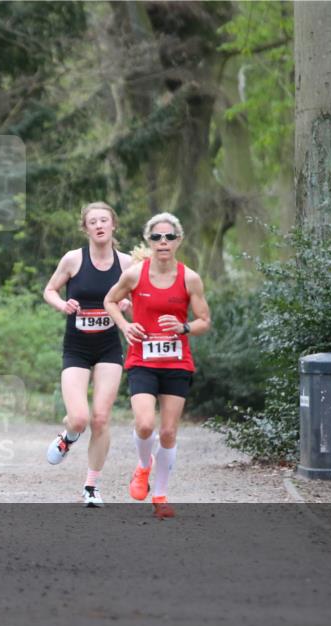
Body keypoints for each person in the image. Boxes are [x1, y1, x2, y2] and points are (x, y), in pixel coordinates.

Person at [104, 212, 211, 519]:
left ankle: (161, 496)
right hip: (142, 360)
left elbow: (204, 320)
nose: (163, 242)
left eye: (168, 237)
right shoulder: (135, 275)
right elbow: (110, 301)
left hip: (176, 363)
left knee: (167, 432)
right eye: (156, 237)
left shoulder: (190, 278)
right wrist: (125, 326)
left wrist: (184, 327)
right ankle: (143, 466)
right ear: (148, 241)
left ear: (178, 241)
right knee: (145, 425)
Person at [43, 202, 133, 506]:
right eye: (93, 222)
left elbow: (140, 302)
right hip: (77, 348)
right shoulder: (73, 259)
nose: (99, 225)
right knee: (79, 418)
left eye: (104, 220)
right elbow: (49, 290)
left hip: (109, 347)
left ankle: (91, 486)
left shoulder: (127, 263)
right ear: (86, 228)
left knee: (101, 418)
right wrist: (63, 305)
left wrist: (127, 306)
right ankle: (68, 436)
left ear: (113, 225)